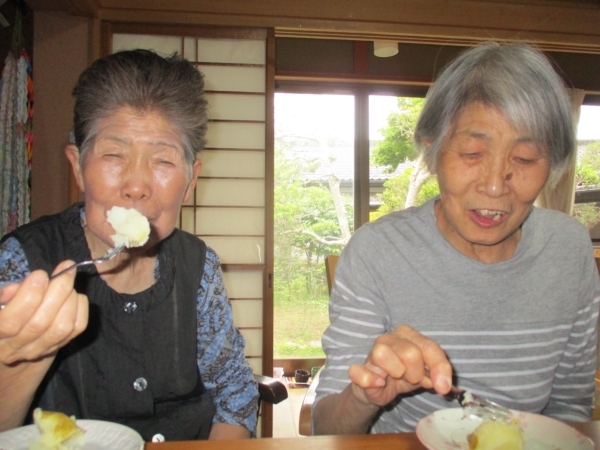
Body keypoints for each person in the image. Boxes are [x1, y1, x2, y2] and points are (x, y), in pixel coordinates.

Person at [313, 42, 600, 435]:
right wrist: (365, 395)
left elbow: (570, 408)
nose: (495, 186)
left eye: (525, 158)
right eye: (471, 153)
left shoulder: (568, 249)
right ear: (433, 151)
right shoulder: (376, 252)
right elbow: (325, 428)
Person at [0, 49, 258, 441]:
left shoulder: (198, 266)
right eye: (114, 154)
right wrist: (19, 363)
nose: (136, 185)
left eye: (163, 161)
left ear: (190, 182)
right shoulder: (20, 263)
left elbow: (234, 396)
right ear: (78, 167)